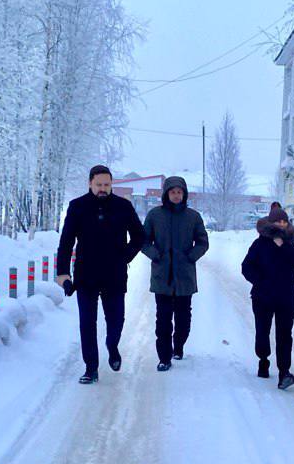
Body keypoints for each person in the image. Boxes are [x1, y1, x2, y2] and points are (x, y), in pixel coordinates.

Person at [57, 165, 145, 384]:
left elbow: (139, 236)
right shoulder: (77, 207)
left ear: (111, 184)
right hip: (86, 275)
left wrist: (125, 256)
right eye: (99, 185)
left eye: (107, 184)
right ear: (90, 183)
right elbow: (66, 242)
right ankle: (91, 368)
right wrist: (63, 274)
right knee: (87, 322)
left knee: (116, 320)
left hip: (114, 275)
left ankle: (112, 345)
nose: (103, 189)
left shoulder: (123, 206)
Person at [141, 175, 209, 371]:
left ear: (184, 194)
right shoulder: (155, 215)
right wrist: (155, 255)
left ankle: (178, 346)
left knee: (183, 319)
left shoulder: (193, 217)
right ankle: (164, 357)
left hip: (185, 276)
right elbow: (144, 241)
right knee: (162, 319)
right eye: (173, 192)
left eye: (180, 192)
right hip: (162, 276)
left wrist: (191, 256)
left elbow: (203, 242)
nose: (176, 195)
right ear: (166, 194)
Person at [242, 203, 294, 390]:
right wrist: (260, 281)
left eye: (284, 221)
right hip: (263, 297)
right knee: (263, 331)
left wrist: (285, 246)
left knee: (285, 335)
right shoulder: (260, 243)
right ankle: (263, 359)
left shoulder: (291, 242)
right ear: (271, 223)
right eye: (278, 221)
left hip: (287, 297)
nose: (281, 224)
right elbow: (246, 267)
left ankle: (284, 372)